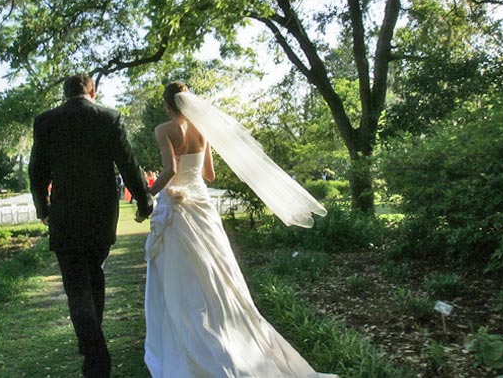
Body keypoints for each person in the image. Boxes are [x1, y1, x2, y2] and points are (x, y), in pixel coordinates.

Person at [138, 81, 335, 377]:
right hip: (201, 206)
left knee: (180, 275)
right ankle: (226, 325)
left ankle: (187, 336)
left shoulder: (163, 130)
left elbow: (170, 172)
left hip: (178, 209)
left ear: (167, 104)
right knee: (217, 272)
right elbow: (210, 175)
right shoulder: (203, 131)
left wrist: (148, 194)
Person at [29, 74, 153, 378]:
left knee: (77, 286)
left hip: (65, 214)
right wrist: (143, 199)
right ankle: (95, 351)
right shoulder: (109, 118)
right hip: (101, 213)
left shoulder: (46, 121)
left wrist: (42, 207)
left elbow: (36, 171)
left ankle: (94, 351)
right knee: (93, 275)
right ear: (92, 92)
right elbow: (127, 162)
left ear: (65, 94)